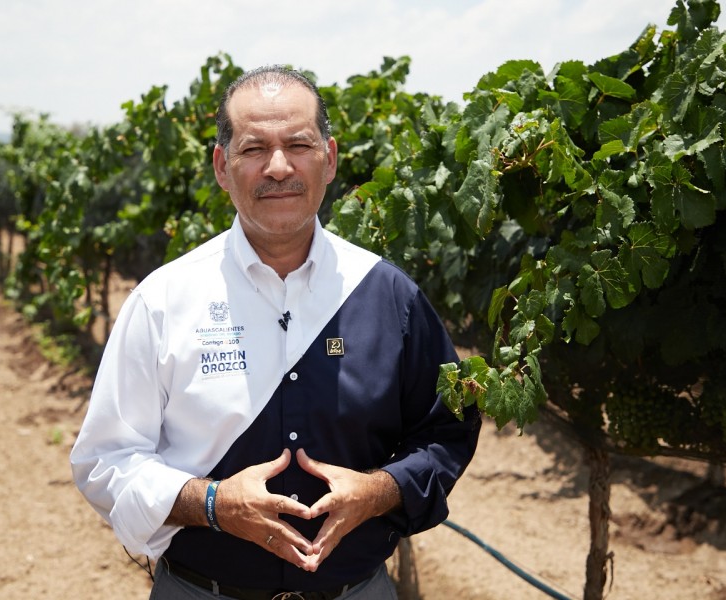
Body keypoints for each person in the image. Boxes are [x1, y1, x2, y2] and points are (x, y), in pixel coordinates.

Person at [70, 65, 480, 599]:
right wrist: (212, 504)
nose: (279, 166)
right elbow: (105, 461)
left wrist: (380, 491)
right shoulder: (163, 300)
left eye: (299, 144)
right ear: (222, 166)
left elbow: (446, 432)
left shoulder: (388, 295)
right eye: (254, 148)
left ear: (330, 158)